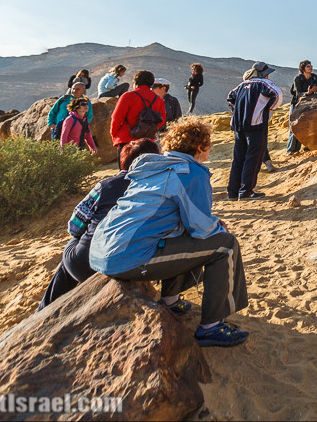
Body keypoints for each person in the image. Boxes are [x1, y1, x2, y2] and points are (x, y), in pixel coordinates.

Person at [90, 119, 252, 347]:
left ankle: (170, 301)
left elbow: (172, 213)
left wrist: (212, 222)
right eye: (208, 144)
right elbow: (201, 228)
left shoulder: (155, 168)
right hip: (127, 256)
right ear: (200, 147)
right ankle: (211, 327)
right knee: (225, 245)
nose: (210, 148)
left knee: (186, 236)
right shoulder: (191, 172)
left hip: (101, 251)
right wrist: (217, 227)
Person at [37, 139, 160, 311]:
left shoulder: (106, 186)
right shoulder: (158, 189)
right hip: (132, 265)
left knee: (75, 247)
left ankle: (44, 309)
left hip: (88, 264)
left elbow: (74, 226)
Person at [226, 62, 282, 198]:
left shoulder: (242, 85)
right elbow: (278, 95)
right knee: (253, 157)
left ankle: (233, 192)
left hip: (239, 125)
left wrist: (239, 110)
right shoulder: (263, 83)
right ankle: (246, 191)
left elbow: (230, 97)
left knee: (238, 158)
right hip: (256, 124)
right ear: (263, 74)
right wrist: (269, 108)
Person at [110, 70, 167, 153]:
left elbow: (116, 118)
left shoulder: (128, 96)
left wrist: (114, 134)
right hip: (147, 142)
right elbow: (162, 119)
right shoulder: (158, 99)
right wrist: (148, 130)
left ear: (135, 82)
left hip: (126, 140)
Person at [286, 60, 317, 156]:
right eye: (308, 66)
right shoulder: (298, 78)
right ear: (303, 69)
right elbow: (298, 93)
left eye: (311, 66)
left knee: (307, 125)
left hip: (310, 104)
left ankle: (304, 147)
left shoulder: (314, 77)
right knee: (294, 126)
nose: (310, 67)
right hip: (297, 104)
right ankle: (290, 150)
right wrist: (307, 93)